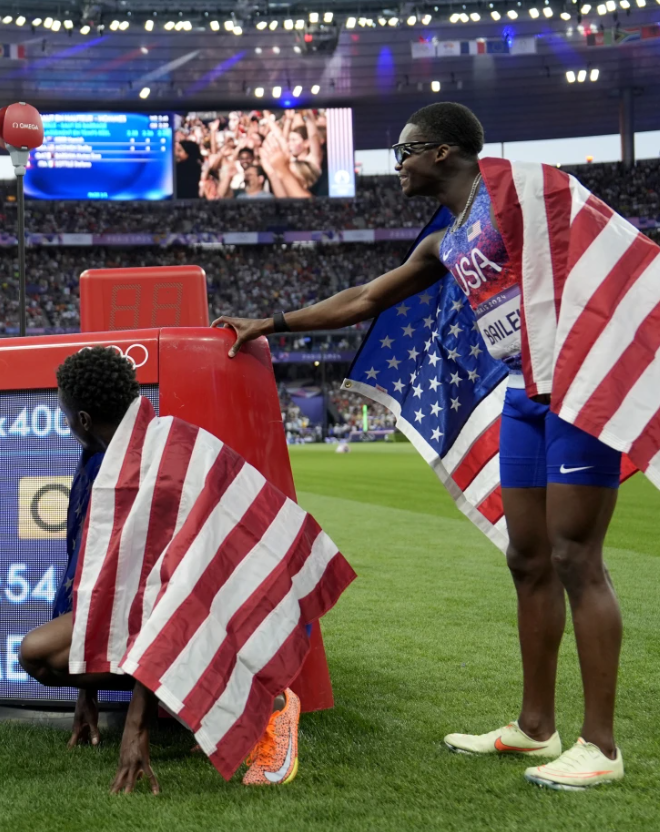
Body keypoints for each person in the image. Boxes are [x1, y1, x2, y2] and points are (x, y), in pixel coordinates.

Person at [214, 102, 626, 790]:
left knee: (575, 557)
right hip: (525, 395)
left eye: (404, 150)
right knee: (528, 559)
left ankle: (602, 746)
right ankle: (534, 727)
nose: (395, 164)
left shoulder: (523, 192)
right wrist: (269, 323)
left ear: (442, 152)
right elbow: (365, 298)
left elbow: (602, 248)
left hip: (580, 386)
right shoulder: (444, 241)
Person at [18, 347, 300, 794]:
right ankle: (216, 696)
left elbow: (169, 604)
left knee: (50, 650)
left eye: (66, 414)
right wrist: (85, 689)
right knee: (43, 654)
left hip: (239, 603)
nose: (66, 423)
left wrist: (137, 729)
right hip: (198, 602)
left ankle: (271, 704)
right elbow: (93, 573)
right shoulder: (106, 453)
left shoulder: (160, 467)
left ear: (85, 419)